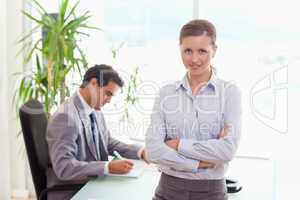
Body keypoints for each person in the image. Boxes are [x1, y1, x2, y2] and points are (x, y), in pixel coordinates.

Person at [145, 19, 242, 200]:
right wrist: (198, 164)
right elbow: (153, 150)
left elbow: (227, 151)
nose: (194, 59)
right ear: (180, 49)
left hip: (211, 191)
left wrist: (178, 144)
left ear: (214, 51)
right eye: (187, 51)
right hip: (168, 189)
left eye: (202, 51)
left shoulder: (229, 93)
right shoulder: (166, 93)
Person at [46, 64, 148, 200]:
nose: (110, 100)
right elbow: (64, 167)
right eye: (108, 93)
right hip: (73, 191)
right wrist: (107, 167)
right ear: (93, 83)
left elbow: (108, 143)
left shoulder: (95, 110)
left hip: (93, 184)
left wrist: (141, 152)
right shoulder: (65, 117)